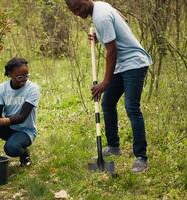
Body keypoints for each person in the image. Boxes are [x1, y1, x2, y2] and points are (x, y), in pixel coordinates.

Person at [65, 0, 153, 173]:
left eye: (78, 8)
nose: (77, 13)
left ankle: (141, 157)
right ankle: (114, 146)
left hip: (134, 63)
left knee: (132, 108)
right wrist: (102, 36)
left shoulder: (101, 17)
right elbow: (123, 19)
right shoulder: (101, 5)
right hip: (121, 65)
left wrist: (105, 82)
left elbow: (111, 51)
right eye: (73, 11)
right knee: (107, 103)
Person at [0, 57, 40, 167]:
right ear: (10, 74)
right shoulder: (2, 89)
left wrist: (3, 121)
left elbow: (22, 117)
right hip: (8, 128)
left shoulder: (33, 89)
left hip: (25, 131)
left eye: (26, 76)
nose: (24, 79)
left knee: (11, 149)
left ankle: (24, 153)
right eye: (20, 77)